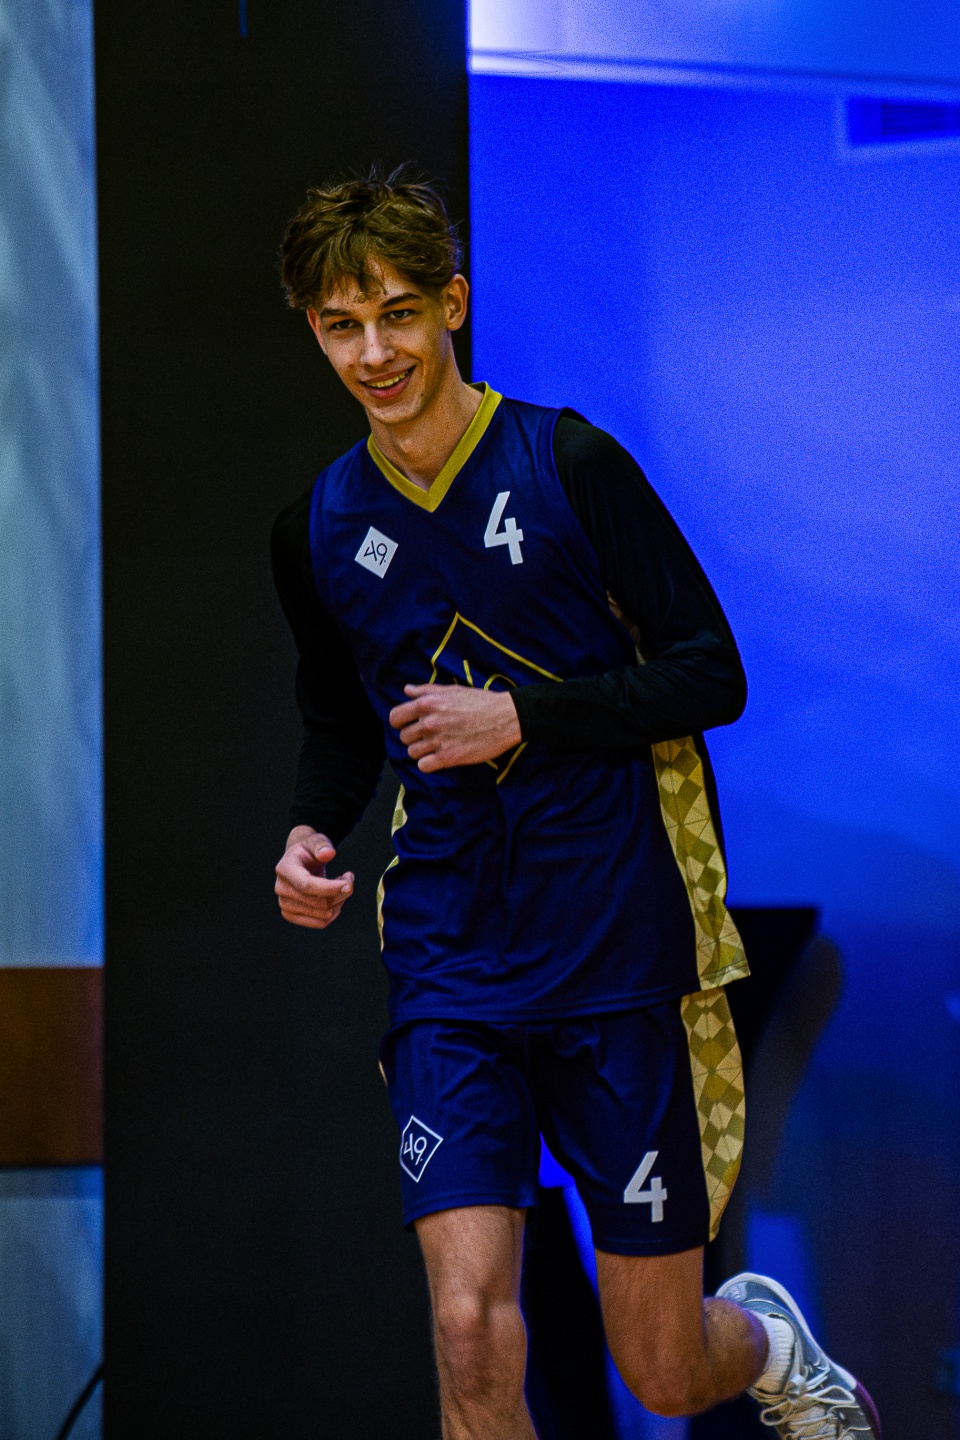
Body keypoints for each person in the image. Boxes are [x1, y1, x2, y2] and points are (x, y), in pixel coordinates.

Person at [270, 167, 880, 1440]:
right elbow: (341, 726)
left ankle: (769, 1344)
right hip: (450, 960)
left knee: (661, 1367)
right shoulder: (318, 526)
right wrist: (312, 829)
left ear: (453, 303)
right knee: (468, 1333)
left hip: (615, 944)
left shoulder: (569, 461)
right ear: (313, 332)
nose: (374, 353)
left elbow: (711, 672)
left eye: (397, 314)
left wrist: (521, 716)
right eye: (341, 325)